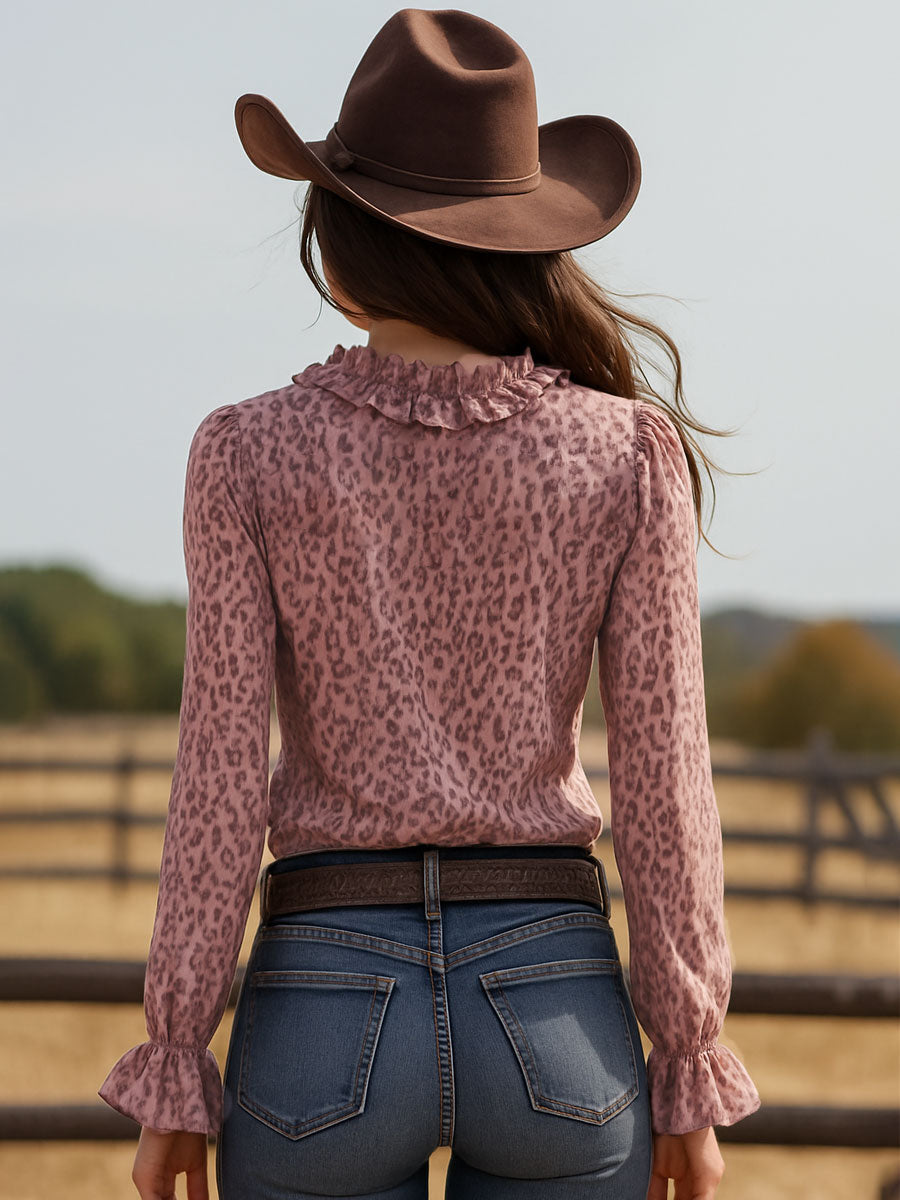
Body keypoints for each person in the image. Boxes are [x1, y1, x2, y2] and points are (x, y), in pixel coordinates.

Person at [98, 8, 762, 1199]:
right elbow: (667, 784)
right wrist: (689, 1055)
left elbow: (214, 780)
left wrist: (175, 1055)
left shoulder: (248, 452)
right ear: (519, 243)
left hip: (317, 1014)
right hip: (558, 1013)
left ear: (345, 254)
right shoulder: (627, 455)